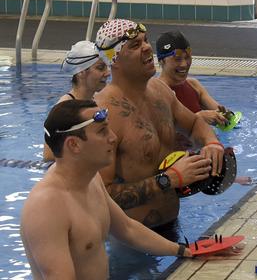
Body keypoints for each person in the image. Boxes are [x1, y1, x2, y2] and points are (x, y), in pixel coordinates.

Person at [21, 100, 191, 279]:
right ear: (74, 145)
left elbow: (127, 229)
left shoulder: (91, 179)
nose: (113, 137)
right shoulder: (46, 207)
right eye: (102, 131)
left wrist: (183, 250)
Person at [92, 19, 226, 232]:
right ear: (114, 60)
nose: (146, 47)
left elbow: (193, 125)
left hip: (171, 226)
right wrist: (169, 179)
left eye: (145, 40)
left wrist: (211, 143)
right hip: (132, 242)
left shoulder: (160, 91)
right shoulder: (103, 114)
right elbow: (100, 195)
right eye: (135, 45)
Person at [43, 41, 110, 160]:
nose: (107, 73)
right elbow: (49, 157)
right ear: (81, 73)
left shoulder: (98, 101)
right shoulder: (64, 107)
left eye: (107, 67)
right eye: (100, 68)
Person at [156, 31, 230, 127]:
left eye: (187, 57)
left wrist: (226, 116)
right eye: (177, 59)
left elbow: (219, 111)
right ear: (162, 61)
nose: (184, 64)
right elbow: (161, 131)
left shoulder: (193, 85)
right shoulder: (156, 92)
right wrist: (198, 118)